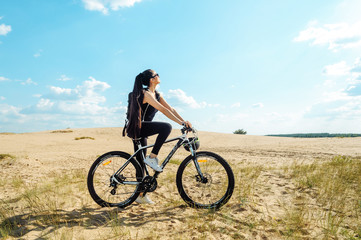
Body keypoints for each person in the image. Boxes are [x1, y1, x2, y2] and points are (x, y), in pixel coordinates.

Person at [124, 69, 192, 204]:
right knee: (166, 127)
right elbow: (163, 110)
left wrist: (185, 121)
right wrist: (180, 123)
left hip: (144, 129)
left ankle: (140, 195)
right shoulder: (146, 93)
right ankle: (152, 157)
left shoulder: (157, 94)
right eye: (156, 75)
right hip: (138, 127)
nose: (159, 76)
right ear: (151, 79)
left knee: (140, 165)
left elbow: (171, 109)